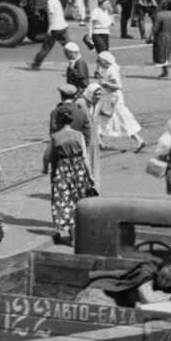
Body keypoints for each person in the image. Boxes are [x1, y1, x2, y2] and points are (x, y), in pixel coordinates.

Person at [42, 103, 97, 243]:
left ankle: (72, 237)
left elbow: (47, 156)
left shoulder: (55, 137)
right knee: (80, 200)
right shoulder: (78, 135)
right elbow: (85, 156)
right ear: (71, 121)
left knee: (66, 202)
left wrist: (45, 168)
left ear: (59, 122)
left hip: (63, 170)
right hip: (79, 170)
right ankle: (82, 235)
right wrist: (90, 174)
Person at [94, 50, 145, 150]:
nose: (98, 62)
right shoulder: (105, 67)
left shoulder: (112, 71)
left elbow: (118, 86)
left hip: (114, 98)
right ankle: (99, 141)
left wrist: (105, 83)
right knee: (105, 117)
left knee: (117, 118)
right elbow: (98, 73)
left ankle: (138, 140)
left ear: (105, 61)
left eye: (100, 61)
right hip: (110, 96)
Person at [30, 0, 71, 69]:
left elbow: (51, 16)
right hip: (63, 26)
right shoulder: (57, 0)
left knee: (46, 47)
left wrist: (49, 29)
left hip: (55, 28)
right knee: (68, 46)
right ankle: (74, 61)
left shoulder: (50, 2)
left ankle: (36, 64)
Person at [150, 0, 171, 78]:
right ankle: (165, 71)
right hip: (169, 36)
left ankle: (165, 72)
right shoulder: (170, 14)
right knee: (166, 53)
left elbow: (155, 28)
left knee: (160, 54)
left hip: (161, 36)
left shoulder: (159, 15)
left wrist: (150, 37)